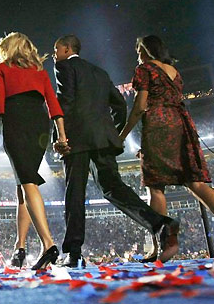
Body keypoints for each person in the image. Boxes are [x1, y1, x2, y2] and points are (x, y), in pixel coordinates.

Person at [118, 35, 214, 260]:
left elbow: (141, 105)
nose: (137, 54)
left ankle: (161, 246)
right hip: (181, 123)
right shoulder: (174, 71)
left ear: (147, 50)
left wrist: (123, 134)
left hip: (159, 124)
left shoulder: (144, 69)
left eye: (139, 49)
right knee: (195, 181)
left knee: (155, 185)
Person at [52, 34, 180, 266]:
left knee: (74, 194)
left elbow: (66, 100)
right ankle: (161, 223)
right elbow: (120, 104)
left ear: (68, 48)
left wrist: (59, 134)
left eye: (57, 48)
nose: (54, 53)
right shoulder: (99, 72)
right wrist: (114, 133)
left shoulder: (63, 66)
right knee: (113, 187)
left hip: (76, 140)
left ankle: (73, 252)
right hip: (103, 139)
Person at [0, 32, 66, 270]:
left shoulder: (0, 68)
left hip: (17, 121)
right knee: (23, 186)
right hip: (40, 124)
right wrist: (61, 134)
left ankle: (48, 244)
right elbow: (53, 103)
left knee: (27, 182)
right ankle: (19, 247)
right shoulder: (39, 72)